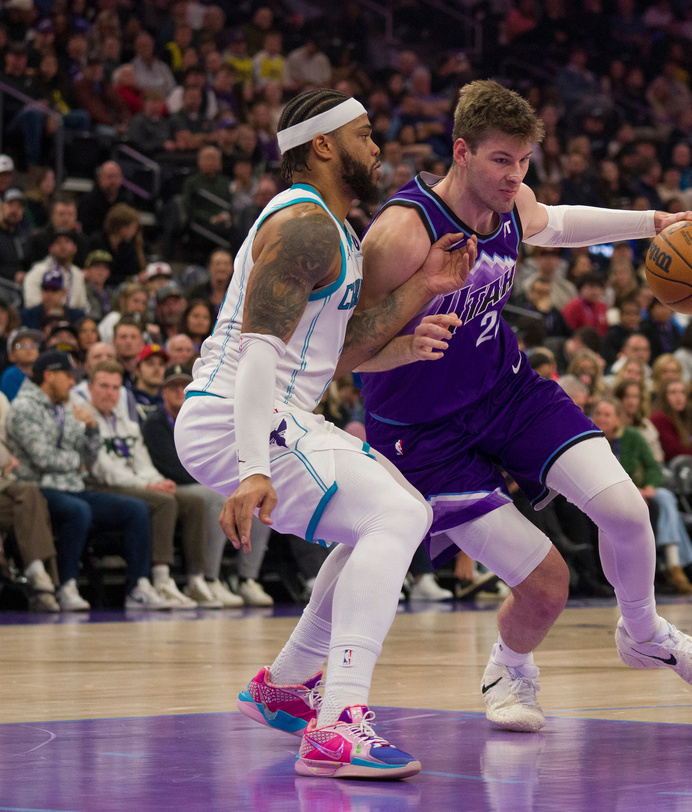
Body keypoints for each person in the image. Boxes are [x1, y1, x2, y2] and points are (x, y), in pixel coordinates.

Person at [358, 80, 692, 735]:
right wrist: (396, 346)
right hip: (423, 434)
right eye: (502, 160)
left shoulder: (511, 204)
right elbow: (335, 344)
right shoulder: (400, 233)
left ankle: (643, 631)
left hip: (507, 390)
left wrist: (655, 224)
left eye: (525, 160)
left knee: (625, 507)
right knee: (547, 586)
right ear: (462, 151)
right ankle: (510, 669)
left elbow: (556, 222)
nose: (516, 175)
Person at [175, 88, 476, 779]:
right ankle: (338, 723)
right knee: (400, 514)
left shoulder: (334, 231)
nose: (377, 147)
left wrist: (423, 289)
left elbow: (333, 351)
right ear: (321, 145)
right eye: (365, 134)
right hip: (238, 413)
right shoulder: (303, 225)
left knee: (381, 518)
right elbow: (257, 354)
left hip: (272, 413)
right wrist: (253, 466)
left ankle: (284, 688)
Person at [6, 351, 163, 609]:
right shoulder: (24, 408)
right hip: (37, 487)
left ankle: (137, 587)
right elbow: (42, 458)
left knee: (136, 509)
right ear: (48, 375)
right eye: (67, 376)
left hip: (71, 485)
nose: (72, 383)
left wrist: (92, 430)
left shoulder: (65, 405)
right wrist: (75, 462)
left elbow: (87, 459)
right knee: (77, 510)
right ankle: (66, 586)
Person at [142, 363, 272, 608]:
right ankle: (209, 577)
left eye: (184, 385)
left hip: (201, 482)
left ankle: (246, 578)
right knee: (215, 498)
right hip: (172, 485)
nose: (180, 391)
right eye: (173, 387)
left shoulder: (200, 419)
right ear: (164, 393)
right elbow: (172, 467)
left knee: (254, 499)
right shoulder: (154, 423)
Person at [83, 360, 206, 608]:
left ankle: (197, 580)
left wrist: (158, 480)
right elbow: (104, 469)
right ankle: (161, 579)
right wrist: (148, 486)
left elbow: (142, 462)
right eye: (104, 386)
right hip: (99, 486)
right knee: (163, 502)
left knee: (194, 501)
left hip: (133, 485)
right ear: (90, 388)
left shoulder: (127, 423)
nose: (110, 393)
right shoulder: (86, 419)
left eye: (115, 388)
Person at [592, 396, 692, 595]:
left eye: (607, 415)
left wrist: (649, 486)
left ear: (618, 419)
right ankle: (671, 564)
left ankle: (668, 566)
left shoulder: (632, 437)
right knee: (663, 500)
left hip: (638, 491)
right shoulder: (589, 440)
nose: (602, 418)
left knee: (663, 498)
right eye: (598, 414)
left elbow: (653, 467)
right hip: (607, 493)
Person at [0, 365, 58, 611]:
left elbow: (6, 460)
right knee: (31, 507)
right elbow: (0, 467)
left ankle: (33, 571)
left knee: (30, 494)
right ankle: (41, 580)